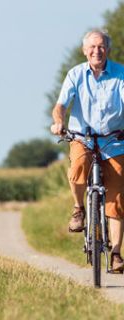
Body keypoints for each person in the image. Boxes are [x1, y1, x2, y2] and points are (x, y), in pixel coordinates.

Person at [51, 29, 124, 272]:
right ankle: (79, 208)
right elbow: (61, 105)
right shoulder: (76, 74)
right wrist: (59, 122)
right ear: (85, 51)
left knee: (117, 197)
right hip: (82, 137)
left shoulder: (120, 74)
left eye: (101, 46)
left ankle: (115, 254)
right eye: (92, 47)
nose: (96, 51)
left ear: (107, 49)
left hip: (114, 139)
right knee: (78, 166)